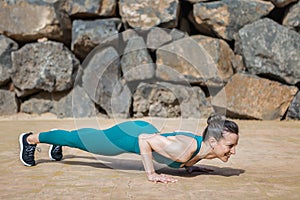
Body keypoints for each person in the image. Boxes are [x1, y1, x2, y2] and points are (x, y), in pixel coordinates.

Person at [19, 115, 239, 183]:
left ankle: (63, 138)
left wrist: (190, 168)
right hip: (131, 137)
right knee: (88, 142)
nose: (233, 151)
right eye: (230, 146)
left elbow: (182, 154)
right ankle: (30, 139)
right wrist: (151, 174)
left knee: (85, 138)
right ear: (212, 142)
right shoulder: (185, 149)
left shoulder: (201, 150)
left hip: (144, 132)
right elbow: (145, 140)